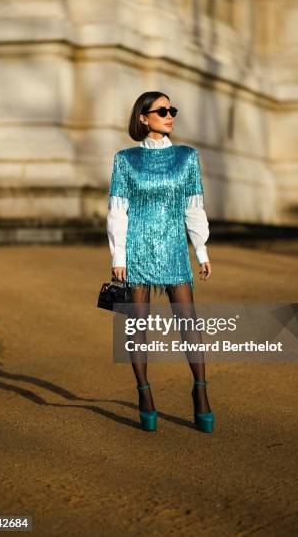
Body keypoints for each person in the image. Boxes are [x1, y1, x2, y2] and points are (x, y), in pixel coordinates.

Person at [107, 91, 214, 433]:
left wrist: (201, 251)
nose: (170, 115)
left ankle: (200, 391)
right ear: (143, 117)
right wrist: (118, 257)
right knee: (137, 328)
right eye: (162, 110)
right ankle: (144, 394)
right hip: (136, 252)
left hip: (173, 250)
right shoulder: (125, 159)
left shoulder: (187, 157)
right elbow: (117, 212)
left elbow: (194, 206)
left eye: (173, 110)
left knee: (189, 323)